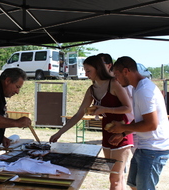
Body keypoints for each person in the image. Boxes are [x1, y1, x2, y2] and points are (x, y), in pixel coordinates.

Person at [49, 55, 133, 190]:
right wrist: (59, 133)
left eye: (88, 71)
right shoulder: (91, 90)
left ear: (98, 69)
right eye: (85, 71)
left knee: (114, 178)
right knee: (117, 177)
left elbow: (128, 108)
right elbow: (78, 114)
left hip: (121, 133)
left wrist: (104, 109)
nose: (86, 74)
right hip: (107, 133)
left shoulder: (114, 83)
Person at [107, 56, 169, 190]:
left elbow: (151, 124)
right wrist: (123, 132)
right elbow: (141, 120)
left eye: (117, 75)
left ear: (126, 71)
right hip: (145, 147)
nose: (116, 79)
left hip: (153, 149)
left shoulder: (143, 91)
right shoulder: (137, 88)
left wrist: (123, 127)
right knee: (134, 185)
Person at [98, 53, 137, 152]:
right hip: (120, 129)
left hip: (135, 128)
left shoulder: (124, 82)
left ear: (109, 65)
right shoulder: (104, 85)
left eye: (99, 64)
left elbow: (131, 107)